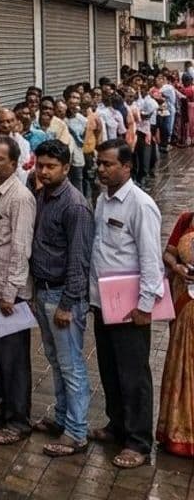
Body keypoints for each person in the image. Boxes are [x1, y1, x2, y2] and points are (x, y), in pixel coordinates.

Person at [88, 139, 163, 470]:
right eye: (99, 163)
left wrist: (145, 306)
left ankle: (138, 441)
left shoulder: (140, 205)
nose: (101, 169)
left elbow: (151, 260)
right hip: (104, 301)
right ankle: (117, 425)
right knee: (109, 369)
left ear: (127, 167)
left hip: (131, 306)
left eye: (108, 164)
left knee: (134, 375)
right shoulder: (102, 199)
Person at [27, 140, 94, 458]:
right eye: (40, 165)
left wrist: (68, 304)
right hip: (43, 290)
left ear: (66, 168)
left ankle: (77, 433)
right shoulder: (43, 195)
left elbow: (79, 260)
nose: (43, 171)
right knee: (55, 361)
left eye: (51, 166)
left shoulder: (75, 205)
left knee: (72, 366)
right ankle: (63, 418)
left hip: (62, 295)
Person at [0, 135, 36, 446]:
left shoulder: (20, 198)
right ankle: (5, 406)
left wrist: (10, 293)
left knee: (14, 359)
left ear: (14, 163)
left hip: (9, 294)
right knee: (1, 356)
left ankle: (18, 421)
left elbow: (20, 248)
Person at [157, 212, 194, 457]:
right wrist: (176, 266)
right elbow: (168, 253)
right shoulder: (186, 220)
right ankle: (178, 433)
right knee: (181, 364)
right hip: (184, 302)